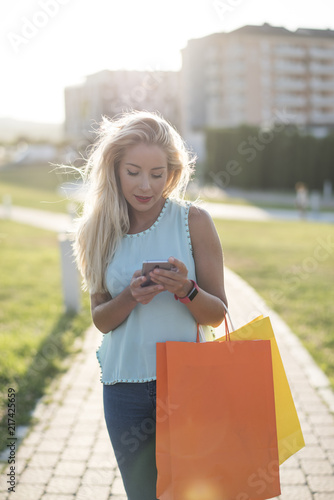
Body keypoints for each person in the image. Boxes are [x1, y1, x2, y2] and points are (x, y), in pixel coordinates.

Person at [73, 110, 228, 500]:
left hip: (188, 382)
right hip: (123, 388)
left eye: (157, 174)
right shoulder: (97, 230)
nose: (146, 185)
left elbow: (218, 313)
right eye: (134, 172)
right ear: (114, 169)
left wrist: (186, 289)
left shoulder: (194, 221)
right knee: (142, 495)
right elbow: (101, 320)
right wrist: (130, 297)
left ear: (172, 174)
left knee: (192, 493)